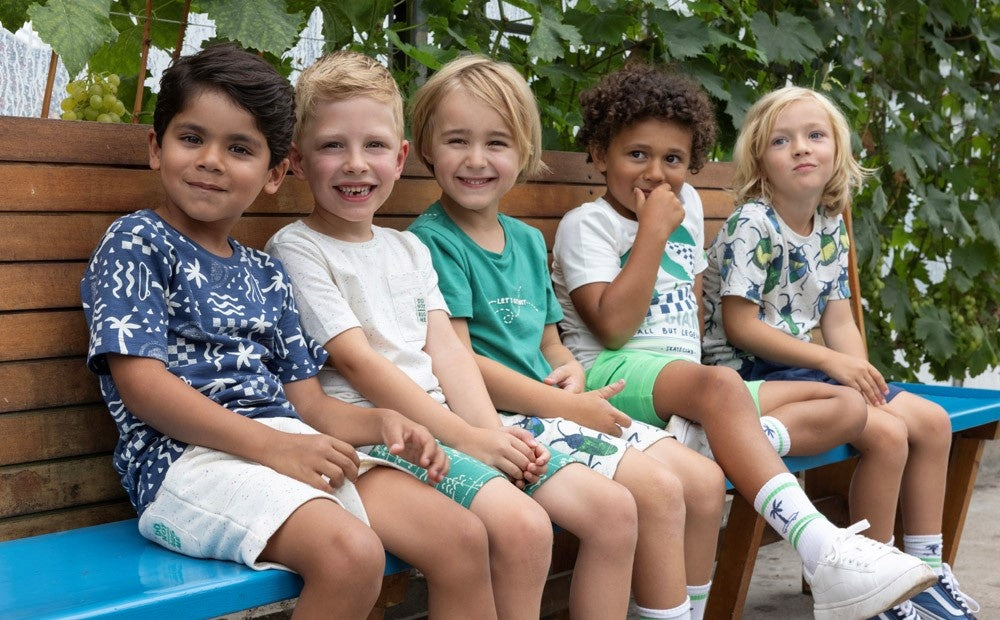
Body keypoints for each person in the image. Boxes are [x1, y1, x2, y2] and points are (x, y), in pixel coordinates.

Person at [79, 44, 498, 620]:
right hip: (185, 462)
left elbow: (311, 407)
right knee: (351, 554)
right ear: (157, 147)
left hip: (286, 445)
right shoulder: (137, 243)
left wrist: (384, 423)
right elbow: (143, 389)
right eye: (192, 138)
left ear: (276, 173)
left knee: (463, 539)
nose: (211, 161)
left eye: (239, 148)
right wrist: (277, 447)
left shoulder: (267, 274)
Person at [550, 63, 937, 620]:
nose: (656, 173)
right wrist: (653, 231)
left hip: (688, 387)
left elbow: (690, 315)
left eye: (673, 159)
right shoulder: (587, 225)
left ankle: (718, 444)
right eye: (637, 154)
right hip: (614, 375)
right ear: (599, 154)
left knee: (847, 407)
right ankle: (819, 545)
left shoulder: (687, 211)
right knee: (720, 387)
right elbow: (613, 328)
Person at [265, 50, 639, 619]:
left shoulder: (409, 249)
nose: (355, 165)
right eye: (333, 146)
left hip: (445, 426)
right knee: (522, 526)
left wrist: (492, 436)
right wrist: (469, 438)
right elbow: (360, 363)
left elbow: (448, 351)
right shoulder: (298, 248)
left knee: (541, 523)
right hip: (376, 439)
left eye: (373, 146)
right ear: (296, 159)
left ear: (400, 158)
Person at [406, 54, 724, 620]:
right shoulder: (434, 243)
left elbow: (551, 344)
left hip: (554, 408)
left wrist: (571, 372)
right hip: (503, 421)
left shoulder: (526, 240)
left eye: (496, 143)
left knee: (702, 480)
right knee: (648, 497)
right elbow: (459, 362)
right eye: (457, 141)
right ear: (427, 147)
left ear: (524, 150)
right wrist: (568, 406)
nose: (476, 160)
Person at [701, 84, 980, 620]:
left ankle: (926, 573)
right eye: (781, 140)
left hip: (805, 367)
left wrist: (858, 372)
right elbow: (740, 326)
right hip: (750, 373)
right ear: (760, 158)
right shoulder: (752, 224)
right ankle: (875, 585)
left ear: (838, 150)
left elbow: (838, 320)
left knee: (933, 423)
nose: (801, 148)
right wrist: (832, 362)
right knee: (889, 434)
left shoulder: (829, 223)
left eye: (815, 135)